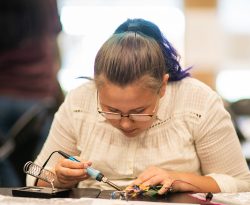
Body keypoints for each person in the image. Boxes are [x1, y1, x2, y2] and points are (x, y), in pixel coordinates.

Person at [28, 18, 250, 194]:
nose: (125, 123)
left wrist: (182, 179)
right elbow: (34, 177)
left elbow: (241, 184)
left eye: (139, 111)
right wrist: (59, 177)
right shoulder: (80, 100)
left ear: (162, 87)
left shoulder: (198, 102)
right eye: (112, 111)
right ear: (96, 87)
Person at [0, 0, 64, 186]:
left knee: (3, 162)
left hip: (4, 92)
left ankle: (11, 203)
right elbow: (54, 41)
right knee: (43, 168)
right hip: (39, 95)